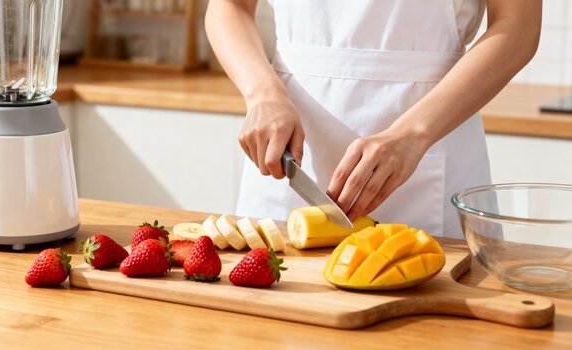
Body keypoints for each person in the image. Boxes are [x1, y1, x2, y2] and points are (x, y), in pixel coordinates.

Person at [206, 0, 541, 238]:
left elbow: (519, 26)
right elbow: (228, 7)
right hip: (287, 154)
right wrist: (263, 94)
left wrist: (413, 135)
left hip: (432, 141)